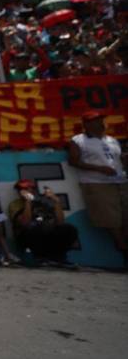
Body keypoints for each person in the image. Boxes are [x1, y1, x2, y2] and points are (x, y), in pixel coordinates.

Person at [68, 111, 128, 267]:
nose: (100, 123)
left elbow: (117, 159)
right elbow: (73, 161)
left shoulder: (112, 140)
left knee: (124, 217)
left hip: (120, 180)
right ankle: (123, 249)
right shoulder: (78, 140)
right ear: (86, 124)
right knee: (111, 220)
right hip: (97, 183)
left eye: (101, 120)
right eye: (95, 121)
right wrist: (98, 168)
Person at [8, 180, 78, 266]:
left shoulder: (42, 202)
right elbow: (25, 223)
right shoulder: (15, 204)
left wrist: (56, 201)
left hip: (46, 232)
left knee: (69, 229)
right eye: (23, 189)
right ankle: (41, 258)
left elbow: (60, 222)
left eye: (31, 188)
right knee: (34, 228)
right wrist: (28, 201)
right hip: (27, 236)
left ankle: (59, 258)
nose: (28, 190)